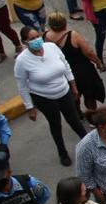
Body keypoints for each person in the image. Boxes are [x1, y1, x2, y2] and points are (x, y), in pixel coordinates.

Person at [15, 26, 87, 166]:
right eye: (32, 39)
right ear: (24, 42)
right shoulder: (22, 61)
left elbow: (65, 65)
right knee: (55, 124)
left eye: (37, 36)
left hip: (64, 91)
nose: (36, 40)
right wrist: (30, 107)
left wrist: (73, 85)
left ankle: (89, 144)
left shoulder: (51, 47)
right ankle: (62, 152)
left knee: (74, 120)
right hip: (44, 98)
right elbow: (22, 86)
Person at [43, 12, 105, 113]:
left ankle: (77, 114)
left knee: (73, 95)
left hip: (63, 72)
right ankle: (92, 115)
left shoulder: (45, 37)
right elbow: (89, 52)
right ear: (64, 23)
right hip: (82, 71)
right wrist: (98, 62)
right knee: (89, 95)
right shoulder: (73, 35)